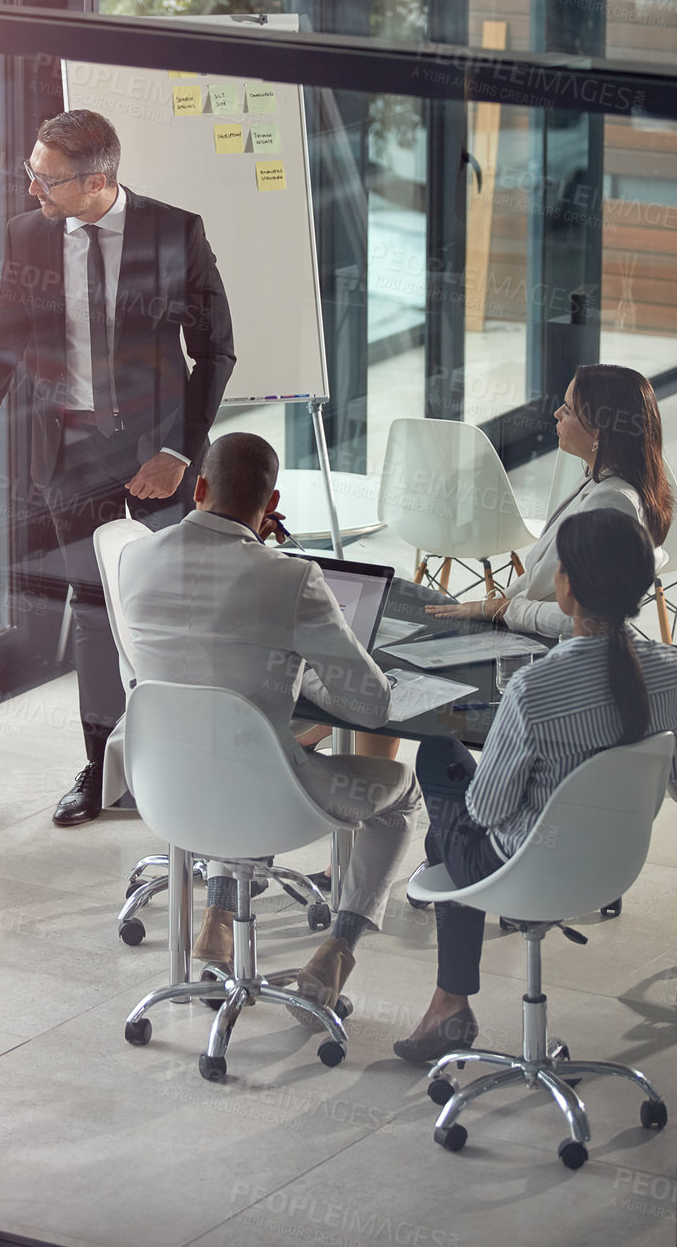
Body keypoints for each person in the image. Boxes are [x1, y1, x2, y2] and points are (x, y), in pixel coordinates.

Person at [0, 109, 235, 827]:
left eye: (46, 178)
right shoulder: (29, 235)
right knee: (92, 615)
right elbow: (0, 347)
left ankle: (189, 759)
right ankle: (103, 769)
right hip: (66, 454)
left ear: (97, 181)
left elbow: (216, 351)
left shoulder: (173, 233)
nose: (32, 188)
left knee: (169, 610)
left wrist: (180, 451)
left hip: (156, 451)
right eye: (31, 171)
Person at [118, 431, 422, 1024]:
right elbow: (369, 708)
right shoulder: (292, 578)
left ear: (199, 487)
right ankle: (336, 954)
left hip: (164, 784)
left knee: (246, 748)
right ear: (272, 500)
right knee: (399, 794)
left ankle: (219, 917)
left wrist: (283, 665)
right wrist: (308, 664)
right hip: (261, 791)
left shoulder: (137, 557)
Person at [393, 509, 677, 1064]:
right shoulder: (673, 671)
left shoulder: (534, 688)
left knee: (439, 754)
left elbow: (484, 810)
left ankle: (451, 1002)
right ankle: (446, 1003)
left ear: (567, 587)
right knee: (441, 843)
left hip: (521, 864)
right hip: (611, 866)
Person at [427, 363, 672, 641]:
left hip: (560, 651)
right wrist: (492, 606)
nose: (556, 413)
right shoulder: (596, 479)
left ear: (599, 433)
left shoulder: (613, 504)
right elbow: (539, 575)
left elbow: (591, 620)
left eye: (567, 410)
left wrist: (504, 610)